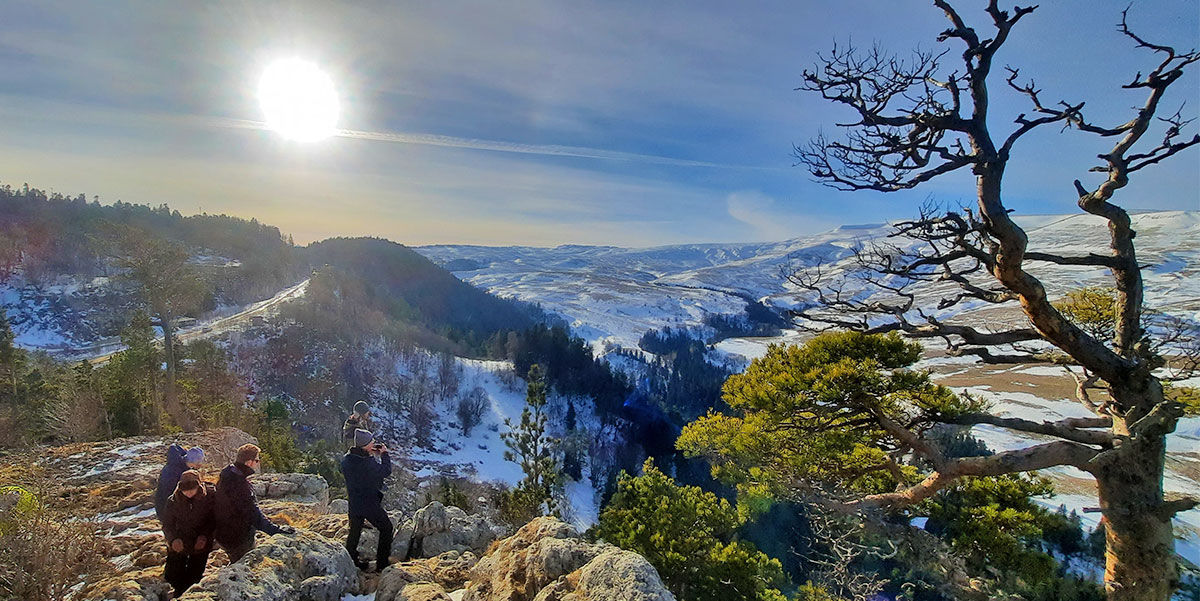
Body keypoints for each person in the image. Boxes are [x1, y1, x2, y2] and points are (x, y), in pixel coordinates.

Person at [212, 444, 294, 562]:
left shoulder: (227, 475)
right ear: (249, 462)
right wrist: (276, 530)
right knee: (245, 563)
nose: (258, 463)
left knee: (235, 560)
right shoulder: (239, 485)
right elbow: (253, 515)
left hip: (222, 534)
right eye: (257, 460)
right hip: (238, 537)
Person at [340, 429, 393, 571]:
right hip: (369, 503)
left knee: (354, 531)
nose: (374, 444)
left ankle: (350, 561)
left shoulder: (347, 459)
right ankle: (382, 564)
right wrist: (384, 454)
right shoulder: (366, 463)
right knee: (386, 528)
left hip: (354, 502)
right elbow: (385, 471)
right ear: (364, 445)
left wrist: (369, 454)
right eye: (371, 442)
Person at [160, 470, 214, 598]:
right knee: (172, 575)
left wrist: (204, 537)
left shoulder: (209, 498)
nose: (188, 492)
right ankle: (175, 594)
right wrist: (173, 540)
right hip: (180, 544)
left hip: (200, 545)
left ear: (199, 486)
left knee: (194, 576)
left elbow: (213, 521)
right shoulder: (173, 501)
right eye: (185, 489)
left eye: (192, 488)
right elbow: (167, 524)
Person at [155, 444, 205, 521]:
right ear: (193, 461)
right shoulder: (173, 471)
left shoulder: (184, 467)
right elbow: (168, 493)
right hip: (165, 507)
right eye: (199, 462)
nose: (200, 464)